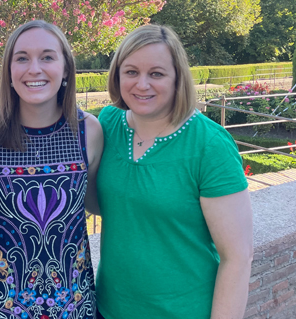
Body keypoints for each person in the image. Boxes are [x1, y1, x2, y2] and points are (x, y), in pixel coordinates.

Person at [95, 25, 253, 319]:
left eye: (156, 73)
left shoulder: (209, 145)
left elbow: (238, 257)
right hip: (108, 308)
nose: (142, 84)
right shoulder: (108, 123)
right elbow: (103, 203)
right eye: (131, 72)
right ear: (117, 75)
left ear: (178, 77)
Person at [0, 20, 103, 319]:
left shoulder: (89, 131)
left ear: (66, 69)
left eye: (47, 57)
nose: (34, 68)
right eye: (22, 58)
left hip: (75, 308)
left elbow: (93, 205)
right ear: (9, 72)